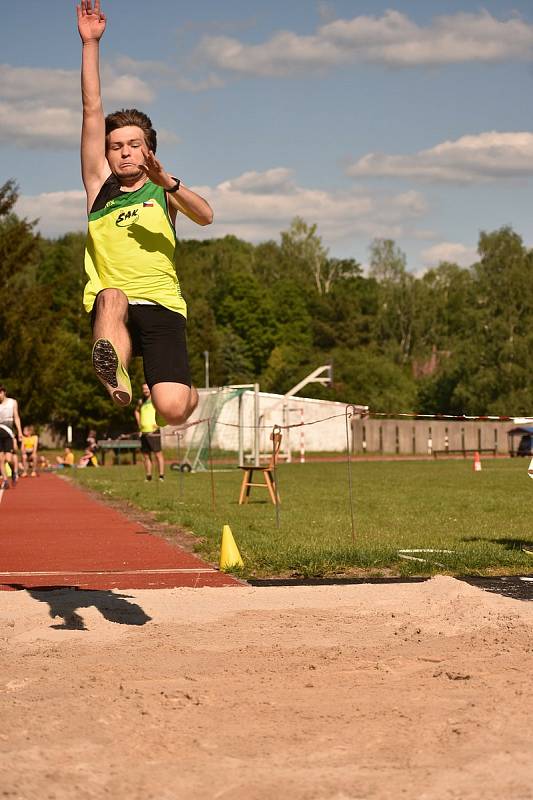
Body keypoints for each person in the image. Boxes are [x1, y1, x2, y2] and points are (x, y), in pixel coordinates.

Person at [77, 0, 212, 429]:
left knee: (172, 411)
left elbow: (206, 216)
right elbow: (92, 109)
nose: (124, 152)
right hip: (114, 302)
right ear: (108, 155)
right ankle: (114, 373)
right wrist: (91, 44)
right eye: (116, 147)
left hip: (162, 305)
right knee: (110, 296)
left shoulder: (163, 188)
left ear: (148, 149)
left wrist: (169, 181)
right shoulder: (100, 188)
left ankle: (189, 398)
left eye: (133, 144)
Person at [135, 383, 164, 482]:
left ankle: (161, 476)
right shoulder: (141, 401)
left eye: (147, 388)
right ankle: (148, 476)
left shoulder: (155, 399)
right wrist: (139, 424)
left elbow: (162, 410)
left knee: (158, 454)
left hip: (154, 431)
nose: (145, 390)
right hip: (143, 432)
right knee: (146, 455)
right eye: (143, 389)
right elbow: (136, 412)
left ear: (150, 389)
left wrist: (158, 423)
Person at [0, 385, 22, 489]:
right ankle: (5, 480)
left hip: (8, 433)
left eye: (0, 393)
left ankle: (14, 471)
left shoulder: (12, 402)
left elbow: (16, 417)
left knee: (8, 459)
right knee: (0, 459)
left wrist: (20, 432)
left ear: (4, 392)